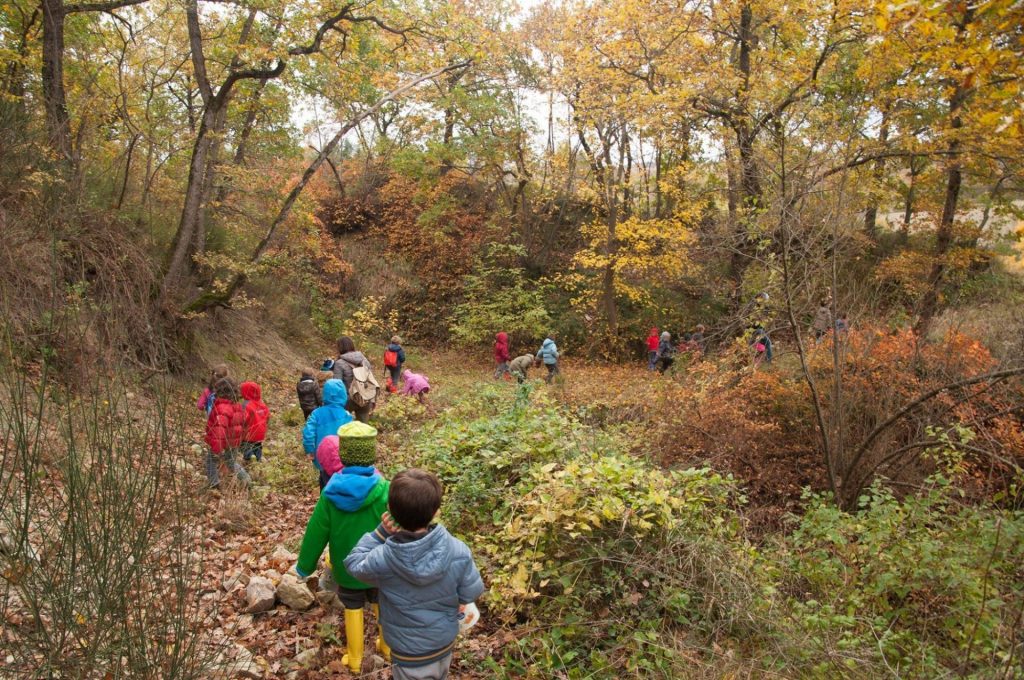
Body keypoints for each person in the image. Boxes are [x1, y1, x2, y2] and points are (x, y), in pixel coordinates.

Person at [345, 469, 485, 680]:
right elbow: (471, 592)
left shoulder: (384, 558)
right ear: (436, 511)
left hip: (407, 652)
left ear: (390, 509)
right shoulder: (458, 550)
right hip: (443, 644)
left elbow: (354, 563)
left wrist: (380, 533)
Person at [295, 422, 390, 673]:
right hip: (380, 565)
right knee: (382, 601)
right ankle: (388, 646)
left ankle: (356, 658)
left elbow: (316, 532)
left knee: (353, 607)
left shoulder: (330, 493)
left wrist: (304, 566)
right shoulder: (386, 489)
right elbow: (403, 523)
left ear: (344, 455)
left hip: (347, 568)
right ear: (371, 453)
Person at [303, 378, 354, 490]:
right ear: (343, 395)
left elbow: (308, 432)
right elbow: (352, 436)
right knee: (339, 480)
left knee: (324, 478)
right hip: (341, 457)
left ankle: (325, 501)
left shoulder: (316, 413)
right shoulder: (346, 415)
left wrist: (310, 450)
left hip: (322, 456)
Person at [204, 378, 251, 489]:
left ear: (220, 391)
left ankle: (213, 483)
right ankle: (246, 479)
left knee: (211, 460)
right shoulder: (237, 406)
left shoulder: (222, 408)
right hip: (233, 442)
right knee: (231, 462)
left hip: (223, 442)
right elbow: (241, 425)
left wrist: (217, 449)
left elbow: (220, 430)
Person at [333, 336, 378, 423]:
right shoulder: (364, 360)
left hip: (348, 399)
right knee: (363, 428)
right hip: (365, 397)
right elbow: (370, 379)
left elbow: (337, 384)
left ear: (340, 347)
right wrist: (372, 399)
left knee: (342, 425)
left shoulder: (339, 363)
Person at [240, 381, 270, 463]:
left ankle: (249, 458)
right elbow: (267, 416)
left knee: (246, 446)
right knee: (257, 445)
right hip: (261, 432)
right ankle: (258, 458)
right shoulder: (261, 403)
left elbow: (243, 419)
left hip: (249, 433)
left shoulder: (246, 405)